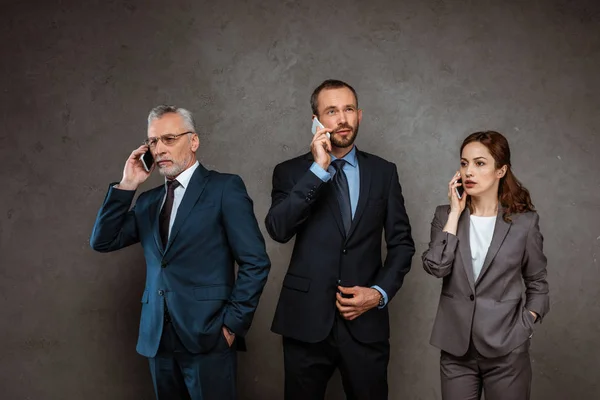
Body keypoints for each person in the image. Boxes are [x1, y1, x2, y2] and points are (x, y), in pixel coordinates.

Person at [90, 105, 271, 400]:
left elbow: (256, 262)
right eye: (153, 141)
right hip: (157, 339)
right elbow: (102, 240)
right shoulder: (149, 201)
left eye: (169, 139)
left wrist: (230, 326)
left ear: (194, 141)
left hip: (208, 336)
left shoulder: (224, 188)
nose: (159, 148)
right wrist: (128, 184)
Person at [265, 79, 415, 399]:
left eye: (348, 109)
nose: (342, 118)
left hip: (365, 325)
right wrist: (319, 170)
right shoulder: (290, 173)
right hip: (305, 322)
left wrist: (379, 293)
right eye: (331, 111)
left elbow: (402, 243)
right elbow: (278, 229)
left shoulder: (384, 172)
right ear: (316, 122)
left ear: (359, 115)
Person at [422, 131, 549, 400]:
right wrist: (455, 212)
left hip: (507, 350)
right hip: (456, 349)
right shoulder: (445, 215)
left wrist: (526, 322)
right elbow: (437, 267)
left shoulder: (524, 223)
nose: (469, 171)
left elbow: (538, 283)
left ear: (501, 170)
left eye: (480, 163)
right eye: (464, 163)